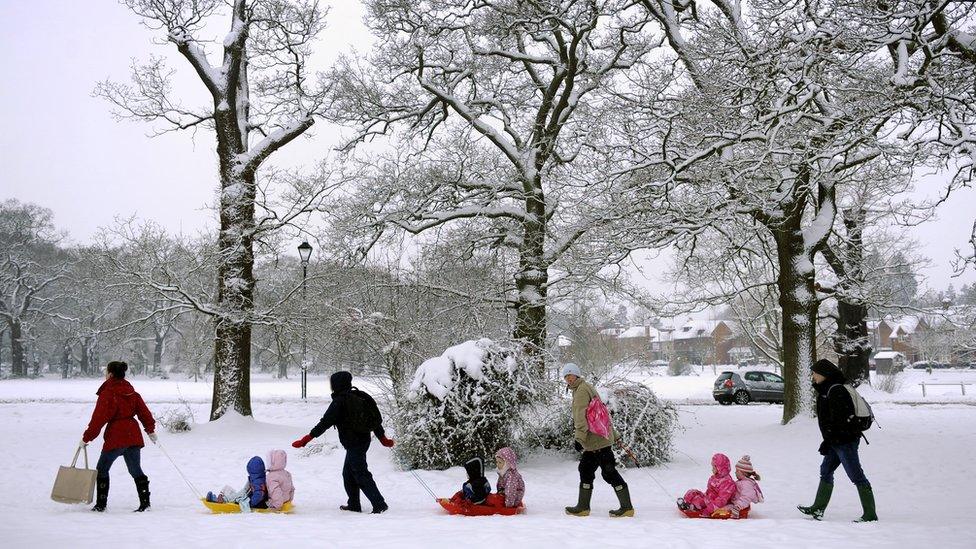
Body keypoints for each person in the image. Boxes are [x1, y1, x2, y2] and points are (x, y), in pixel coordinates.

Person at [292, 371, 394, 514]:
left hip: (354, 444)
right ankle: (354, 504)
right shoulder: (361, 396)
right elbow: (374, 421)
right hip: (363, 441)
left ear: (336, 384)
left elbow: (325, 423)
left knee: (360, 474)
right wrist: (383, 439)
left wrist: (306, 439)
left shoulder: (340, 401)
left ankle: (379, 504)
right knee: (348, 474)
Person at [798, 359, 878, 522]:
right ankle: (818, 509)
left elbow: (840, 420)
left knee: (856, 475)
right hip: (836, 441)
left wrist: (830, 440)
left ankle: (870, 514)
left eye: (815, 373)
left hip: (845, 441)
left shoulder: (836, 390)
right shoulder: (827, 389)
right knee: (826, 470)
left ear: (824, 374)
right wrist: (829, 440)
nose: (813, 376)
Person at [81, 360, 157, 512]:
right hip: (133, 435)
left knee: (102, 469)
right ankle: (145, 504)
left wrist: (86, 437)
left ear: (110, 374)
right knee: (135, 470)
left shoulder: (108, 393)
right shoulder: (132, 392)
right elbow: (144, 412)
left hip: (117, 436)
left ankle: (101, 505)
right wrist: (150, 430)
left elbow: (99, 418)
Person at [561, 363, 634, 518]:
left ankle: (626, 507)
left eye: (570, 375)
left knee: (609, 473)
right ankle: (583, 507)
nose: (568, 379)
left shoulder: (581, 391)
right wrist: (613, 434)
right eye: (566, 376)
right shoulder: (587, 387)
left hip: (597, 442)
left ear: (577, 375)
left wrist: (579, 438)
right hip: (598, 439)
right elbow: (601, 412)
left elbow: (581, 418)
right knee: (586, 470)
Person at [676, 453, 736, 517]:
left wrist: (709, 510)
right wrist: (703, 495)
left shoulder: (727, 483)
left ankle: (692, 507)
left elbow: (721, 500)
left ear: (720, 468)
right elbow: (709, 490)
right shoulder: (715, 477)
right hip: (708, 498)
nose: (712, 469)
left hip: (714, 503)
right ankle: (686, 503)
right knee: (692, 492)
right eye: (712, 466)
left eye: (714, 467)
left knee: (698, 501)